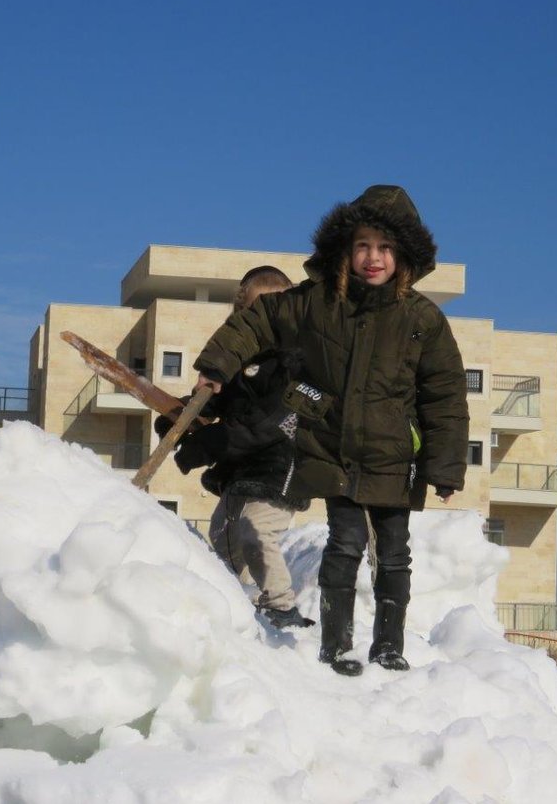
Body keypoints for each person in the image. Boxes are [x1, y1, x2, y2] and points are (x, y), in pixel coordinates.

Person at [193, 185, 469, 676]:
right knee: (343, 545)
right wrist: (218, 364)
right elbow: (257, 321)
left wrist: (444, 466)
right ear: (345, 248)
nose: (373, 257)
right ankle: (336, 645)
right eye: (363, 245)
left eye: (385, 247)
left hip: (392, 459)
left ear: (403, 254)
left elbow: (444, 396)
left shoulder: (423, 319)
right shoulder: (315, 303)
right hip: (334, 453)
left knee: (394, 554)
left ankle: (388, 645)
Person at [159, 266, 315, 630]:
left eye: (271, 310)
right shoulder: (237, 361)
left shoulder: (295, 363)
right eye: (252, 312)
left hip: (280, 465)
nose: (262, 320)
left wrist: (213, 442)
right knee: (223, 537)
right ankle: (235, 603)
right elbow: (213, 403)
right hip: (239, 468)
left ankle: (281, 607)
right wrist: (181, 417)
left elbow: (270, 422)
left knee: (256, 530)